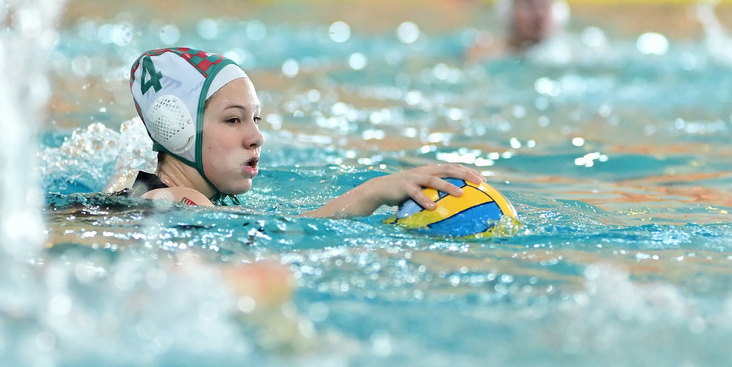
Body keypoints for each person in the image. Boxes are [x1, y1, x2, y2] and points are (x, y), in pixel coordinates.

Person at [126, 46, 484, 216]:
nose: (256, 137)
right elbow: (277, 239)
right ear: (176, 130)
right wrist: (372, 192)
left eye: (256, 119)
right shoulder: (172, 201)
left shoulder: (140, 186)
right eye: (234, 120)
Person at [466, 0, 570, 59]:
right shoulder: (486, 53)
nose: (539, 13)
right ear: (509, 11)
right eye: (529, 2)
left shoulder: (568, 52)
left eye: (544, 2)